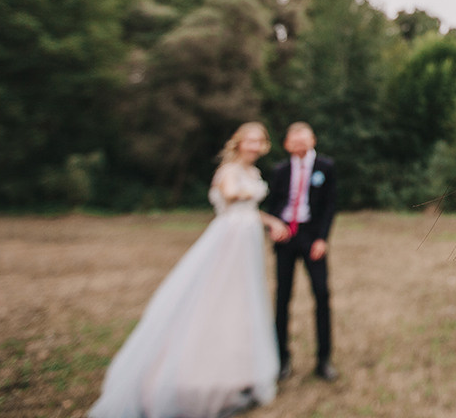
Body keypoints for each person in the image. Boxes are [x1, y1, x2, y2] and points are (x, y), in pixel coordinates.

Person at [90, 122, 285, 418]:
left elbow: (249, 209)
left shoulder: (254, 173)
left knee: (240, 305)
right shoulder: (229, 170)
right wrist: (246, 193)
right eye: (250, 140)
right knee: (213, 300)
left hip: (248, 245)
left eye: (260, 141)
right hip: (228, 243)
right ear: (239, 143)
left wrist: (270, 221)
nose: (255, 145)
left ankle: (233, 375)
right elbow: (231, 195)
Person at [262, 121, 339, 382]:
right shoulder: (281, 170)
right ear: (286, 145)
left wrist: (322, 238)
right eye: (293, 140)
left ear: (313, 140)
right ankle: (282, 359)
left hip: (311, 236)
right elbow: (272, 205)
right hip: (285, 237)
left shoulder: (326, 167)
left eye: (303, 138)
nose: (298, 143)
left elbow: (330, 205)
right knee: (283, 297)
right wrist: (273, 228)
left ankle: (323, 360)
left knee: (321, 294)